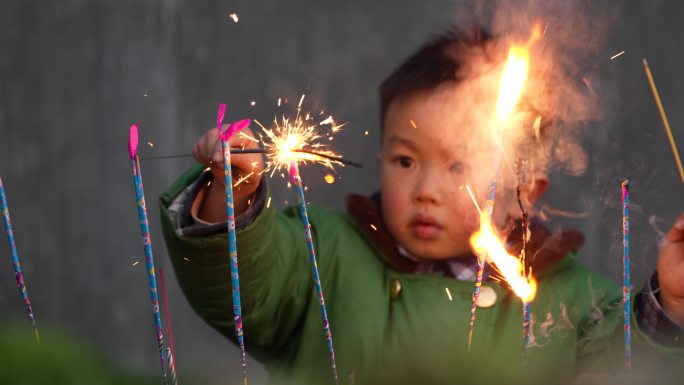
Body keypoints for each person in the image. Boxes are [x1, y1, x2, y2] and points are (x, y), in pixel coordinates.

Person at [159, 26, 684, 385]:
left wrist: (673, 308)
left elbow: (631, 365)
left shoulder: (575, 304)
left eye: (459, 167)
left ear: (525, 192)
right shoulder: (323, 257)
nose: (426, 189)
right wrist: (234, 193)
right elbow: (249, 288)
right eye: (406, 161)